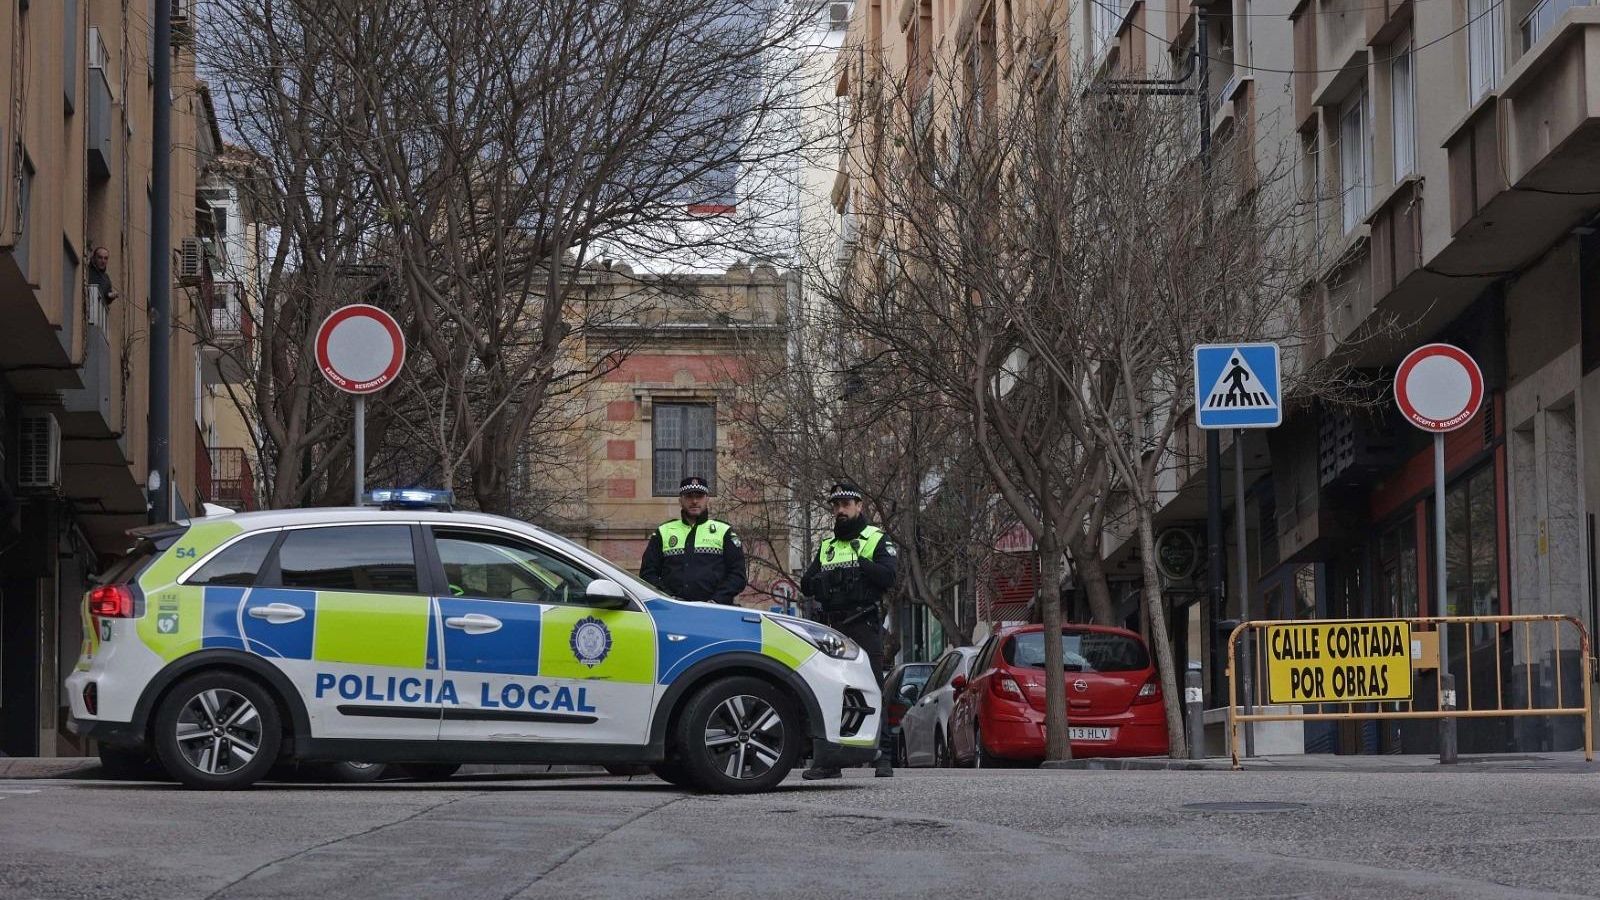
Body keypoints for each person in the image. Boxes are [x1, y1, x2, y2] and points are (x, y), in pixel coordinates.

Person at [800, 480, 897, 779]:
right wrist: (827, 582)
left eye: (846, 505)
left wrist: (860, 561)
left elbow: (887, 577)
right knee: (832, 689)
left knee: (872, 688)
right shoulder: (827, 546)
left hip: (864, 623)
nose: (840, 510)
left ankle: (883, 756)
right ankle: (831, 761)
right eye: (836, 506)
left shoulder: (875, 539)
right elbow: (806, 584)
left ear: (859, 506)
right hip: (834, 626)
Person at [639, 475, 747, 605]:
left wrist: (716, 600)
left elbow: (738, 575)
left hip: (716, 611)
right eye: (689, 496)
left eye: (699, 496)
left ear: (707, 500)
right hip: (673, 611)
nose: (694, 501)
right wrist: (669, 598)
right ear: (680, 501)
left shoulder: (724, 531)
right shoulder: (663, 531)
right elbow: (648, 573)